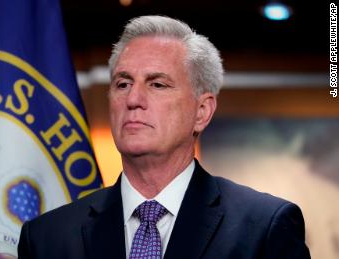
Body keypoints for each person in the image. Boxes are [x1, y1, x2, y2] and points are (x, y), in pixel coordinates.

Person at [17, 15, 310, 259]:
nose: (133, 99)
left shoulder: (263, 228)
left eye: (157, 84)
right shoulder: (47, 239)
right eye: (122, 84)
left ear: (202, 111)